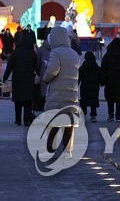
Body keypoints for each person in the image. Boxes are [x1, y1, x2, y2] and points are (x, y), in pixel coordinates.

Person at [42, 26, 81, 155]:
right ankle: (66, 149)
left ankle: (51, 147)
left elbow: (52, 70)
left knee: (54, 121)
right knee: (69, 122)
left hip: (57, 92)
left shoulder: (56, 52)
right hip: (72, 94)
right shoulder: (74, 53)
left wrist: (46, 78)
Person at [2, 29, 38, 127]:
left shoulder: (15, 52)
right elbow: (37, 66)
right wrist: (38, 75)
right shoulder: (32, 53)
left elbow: (10, 66)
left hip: (17, 79)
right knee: (27, 102)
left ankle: (17, 120)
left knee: (18, 101)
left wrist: (4, 78)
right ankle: (26, 120)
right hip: (29, 79)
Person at [100, 33, 120, 122]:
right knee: (119, 99)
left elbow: (103, 67)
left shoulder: (108, 55)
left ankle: (110, 115)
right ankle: (118, 116)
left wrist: (103, 80)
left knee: (110, 99)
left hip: (109, 80)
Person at [78, 51, 101, 123]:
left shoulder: (82, 68)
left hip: (84, 87)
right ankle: (93, 116)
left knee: (84, 101)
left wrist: (76, 85)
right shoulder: (97, 68)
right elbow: (101, 77)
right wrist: (102, 83)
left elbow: (79, 78)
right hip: (94, 87)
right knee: (93, 101)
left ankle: (83, 115)